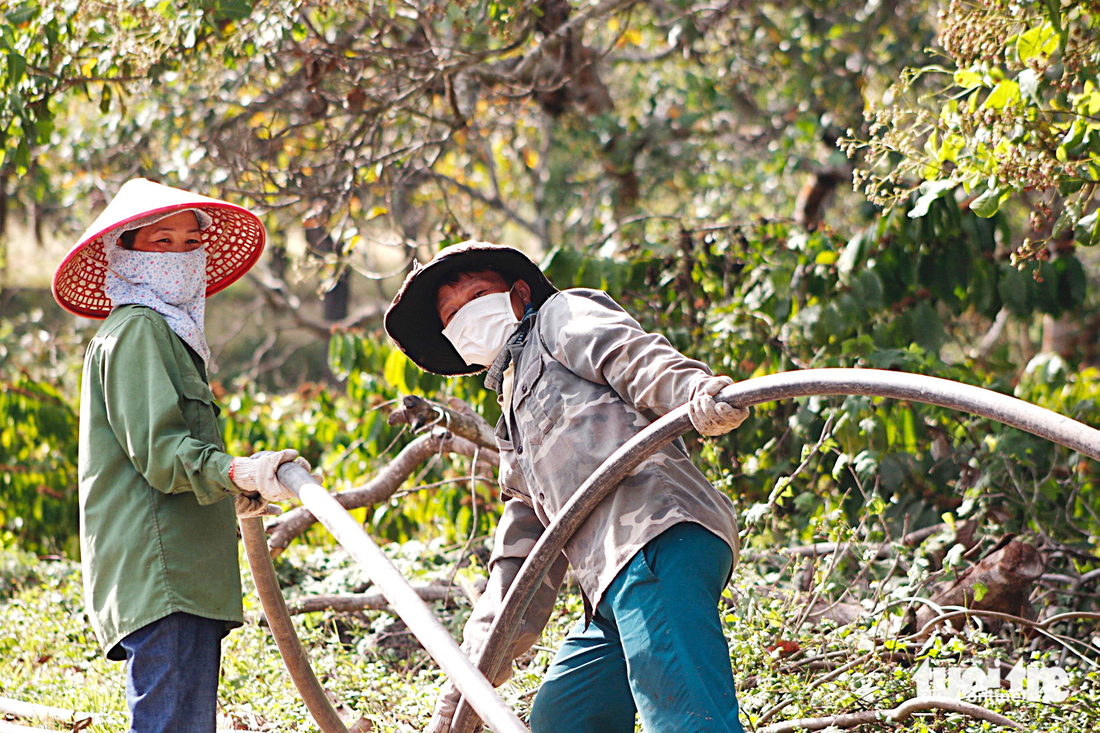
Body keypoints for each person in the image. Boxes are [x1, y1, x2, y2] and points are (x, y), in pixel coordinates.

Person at [384, 241, 749, 733]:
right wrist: (464, 690)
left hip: (655, 538)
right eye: (452, 316)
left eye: (476, 297)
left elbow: (632, 356)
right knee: (565, 718)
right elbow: (522, 557)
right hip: (608, 586)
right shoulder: (512, 415)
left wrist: (694, 391)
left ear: (518, 294)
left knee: (687, 717)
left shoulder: (561, 316)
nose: (466, 318)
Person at [52, 178, 307, 733]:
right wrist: (240, 471)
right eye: (160, 242)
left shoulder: (165, 335)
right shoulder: (140, 330)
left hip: (185, 575)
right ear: (124, 252)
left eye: (190, 242)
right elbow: (163, 453)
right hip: (163, 573)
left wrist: (235, 484)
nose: (179, 255)